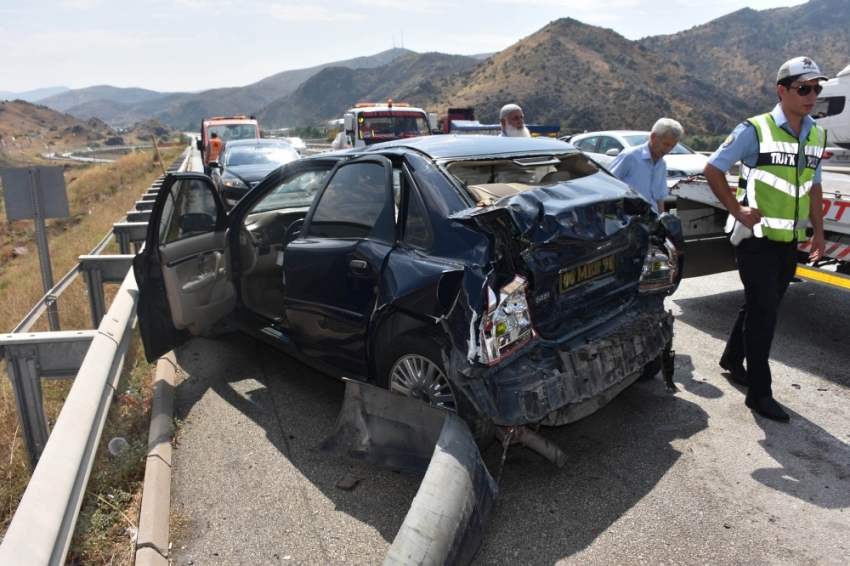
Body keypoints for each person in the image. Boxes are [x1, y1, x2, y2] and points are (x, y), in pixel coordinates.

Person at [703, 56, 828, 422]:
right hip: (756, 239)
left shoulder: (816, 134)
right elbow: (712, 169)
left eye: (816, 89)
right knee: (765, 313)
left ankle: (730, 358)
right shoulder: (754, 130)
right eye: (803, 88)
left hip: (788, 240)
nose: (811, 96)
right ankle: (760, 393)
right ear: (781, 90)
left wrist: (818, 230)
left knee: (759, 305)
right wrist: (736, 209)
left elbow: (814, 186)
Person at [608, 118, 683, 213]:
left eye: (672, 146)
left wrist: (661, 221)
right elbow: (608, 186)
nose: (668, 149)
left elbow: (659, 198)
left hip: (650, 222)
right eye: (666, 144)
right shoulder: (630, 157)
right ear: (653, 136)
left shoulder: (662, 164)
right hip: (628, 221)